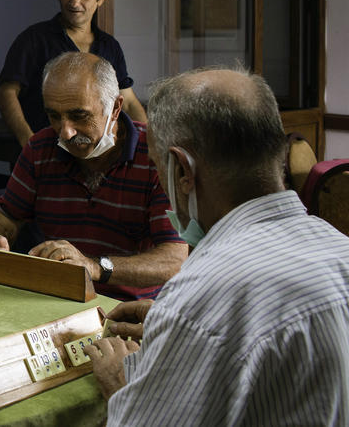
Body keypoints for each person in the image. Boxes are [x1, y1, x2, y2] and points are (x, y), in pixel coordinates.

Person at [86, 66, 349, 425]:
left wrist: (119, 382)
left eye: (157, 168)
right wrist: (182, 331)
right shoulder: (338, 247)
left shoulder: (203, 294)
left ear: (182, 170)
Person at [0, 52, 187, 301]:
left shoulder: (155, 154)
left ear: (115, 108)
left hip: (130, 310)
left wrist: (95, 268)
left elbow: (174, 259)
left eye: (79, 116)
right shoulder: (39, 149)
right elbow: (3, 223)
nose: (65, 132)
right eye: (54, 116)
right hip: (56, 300)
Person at [0, 0, 147, 151]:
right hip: (46, 151)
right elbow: (6, 93)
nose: (74, 2)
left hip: (96, 153)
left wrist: (148, 142)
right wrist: (28, 141)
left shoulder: (110, 46)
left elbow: (129, 102)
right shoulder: (33, 39)